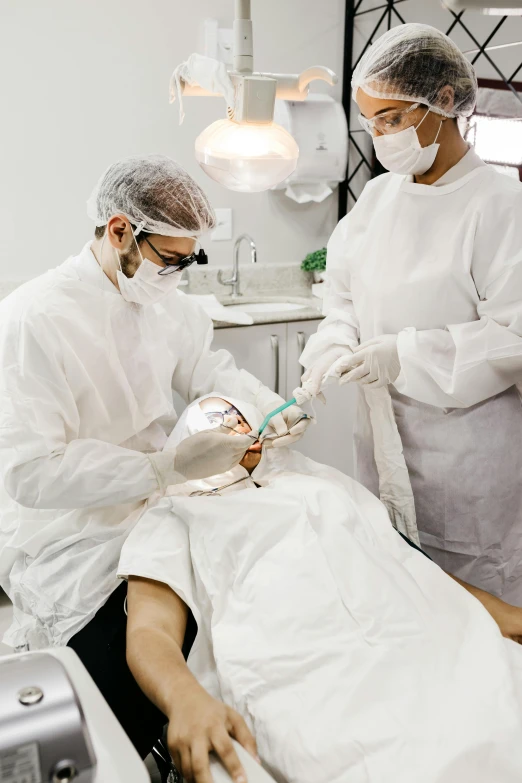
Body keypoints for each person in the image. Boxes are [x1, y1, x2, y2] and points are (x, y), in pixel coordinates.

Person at [0, 154, 310, 760]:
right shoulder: (34, 319)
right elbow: (30, 473)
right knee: (144, 649)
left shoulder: (170, 303)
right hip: (74, 529)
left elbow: (209, 372)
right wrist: (161, 468)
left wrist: (275, 407)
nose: (179, 274)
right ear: (119, 231)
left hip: (167, 502)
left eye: (190, 259)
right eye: (171, 258)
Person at [120, 393, 522, 783]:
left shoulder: (310, 481)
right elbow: (149, 629)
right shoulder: (174, 513)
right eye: (218, 422)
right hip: (300, 664)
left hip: (414, 638)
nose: (237, 428)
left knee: (495, 712)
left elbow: (402, 561)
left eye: (240, 418)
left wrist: (496, 609)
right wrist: (183, 698)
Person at [300, 23, 522, 604]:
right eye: (371, 122)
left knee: (479, 617)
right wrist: (332, 343)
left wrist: (404, 355)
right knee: (399, 595)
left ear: (444, 102)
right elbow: (342, 295)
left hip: (467, 465)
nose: (379, 137)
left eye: (392, 119)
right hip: (382, 446)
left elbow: (515, 335)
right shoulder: (378, 198)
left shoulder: (500, 207)